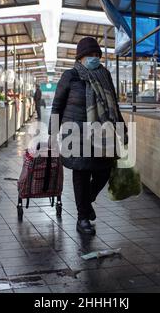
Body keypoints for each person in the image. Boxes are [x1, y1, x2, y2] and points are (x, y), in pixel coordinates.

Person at [48, 37, 127, 235]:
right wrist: (52, 133)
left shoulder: (105, 75)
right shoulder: (70, 76)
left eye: (96, 55)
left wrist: (122, 129)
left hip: (102, 132)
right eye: (90, 55)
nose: (94, 58)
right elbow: (57, 105)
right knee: (81, 173)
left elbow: (113, 105)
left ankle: (87, 202)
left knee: (104, 171)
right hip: (75, 134)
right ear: (80, 57)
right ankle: (82, 218)